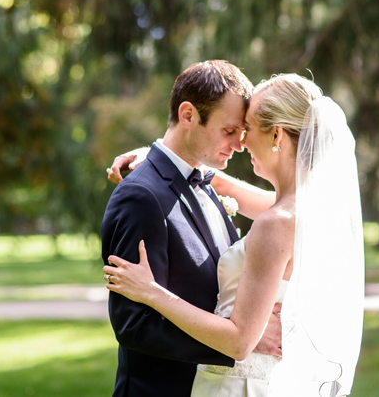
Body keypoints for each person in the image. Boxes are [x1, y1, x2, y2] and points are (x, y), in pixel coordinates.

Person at [105, 74, 365, 397]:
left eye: (247, 129)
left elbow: (241, 341)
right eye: (232, 131)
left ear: (277, 135)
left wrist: (151, 291)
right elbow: (219, 183)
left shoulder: (276, 223)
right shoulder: (314, 209)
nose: (241, 143)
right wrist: (160, 158)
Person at [100, 60, 282, 397]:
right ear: (188, 116)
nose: (240, 144)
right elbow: (133, 324)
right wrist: (238, 343)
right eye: (229, 131)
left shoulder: (207, 184)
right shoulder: (140, 196)